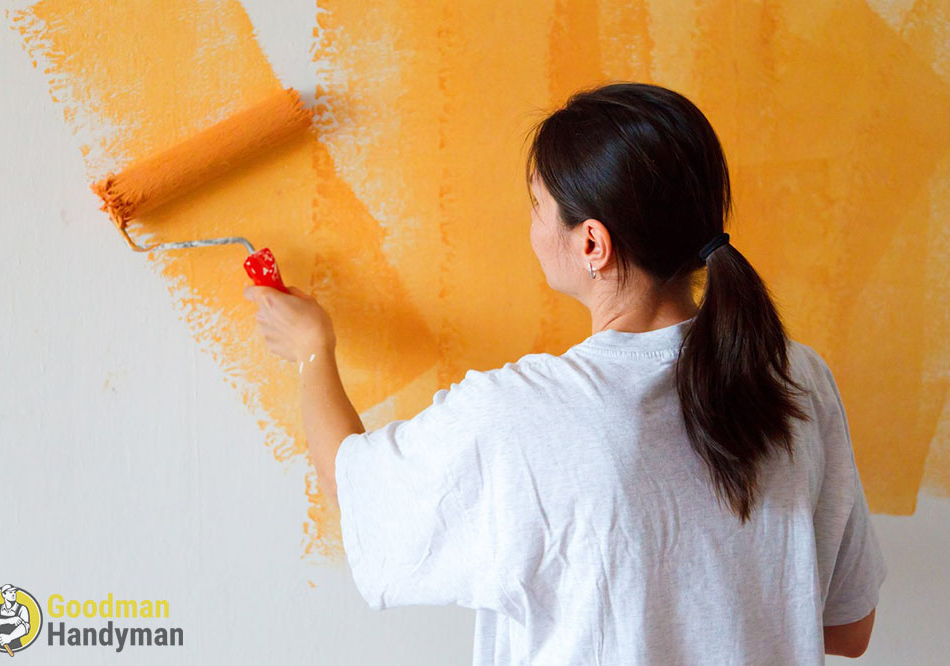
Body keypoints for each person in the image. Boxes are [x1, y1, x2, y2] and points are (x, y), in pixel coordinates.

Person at [244, 82, 887, 665]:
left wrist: (311, 350)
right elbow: (848, 629)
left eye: (537, 205)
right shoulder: (796, 378)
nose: (530, 225)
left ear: (592, 245)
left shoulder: (522, 417)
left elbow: (356, 489)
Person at [0, 584, 30, 651]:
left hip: (16, 647)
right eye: (10, 592)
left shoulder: (22, 608)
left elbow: (25, 627)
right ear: (3, 595)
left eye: (14, 592)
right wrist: (9, 620)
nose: (13, 594)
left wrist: (9, 637)